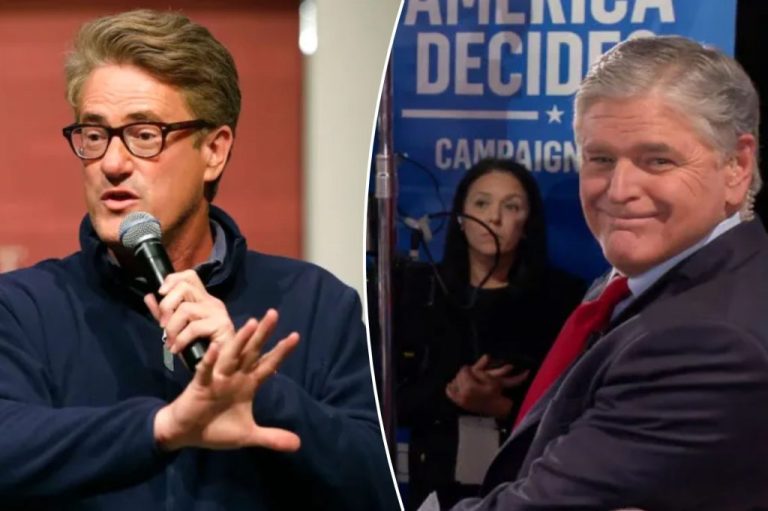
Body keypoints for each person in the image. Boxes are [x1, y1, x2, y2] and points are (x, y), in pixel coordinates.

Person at [0, 9, 398, 510]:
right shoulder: (23, 307)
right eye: (95, 134)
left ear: (214, 149)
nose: (112, 163)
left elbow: (377, 489)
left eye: (145, 135)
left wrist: (260, 388)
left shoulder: (315, 302)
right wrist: (161, 428)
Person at [435, 35, 768, 510]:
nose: (619, 189)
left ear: (736, 165)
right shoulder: (637, 280)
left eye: (657, 160)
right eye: (601, 159)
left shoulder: (710, 342)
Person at [396, 158, 584, 510]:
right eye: (481, 203)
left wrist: (500, 407)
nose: (493, 218)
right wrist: (453, 394)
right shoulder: (419, 291)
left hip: (529, 482)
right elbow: (389, 401)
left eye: (510, 206)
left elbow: (575, 408)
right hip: (435, 479)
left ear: (528, 222)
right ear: (460, 217)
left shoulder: (563, 298)